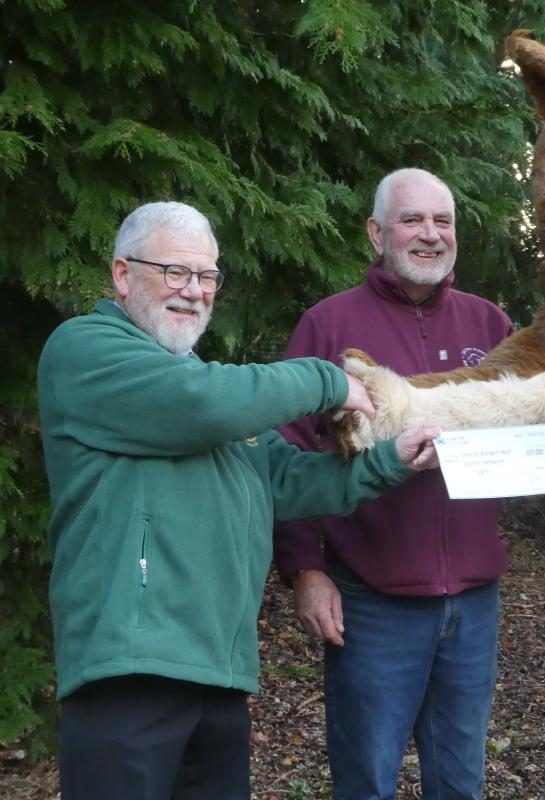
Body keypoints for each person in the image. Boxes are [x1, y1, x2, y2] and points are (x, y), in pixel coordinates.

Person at [37, 201, 444, 800]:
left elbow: (290, 481)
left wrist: (391, 460)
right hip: (130, 671)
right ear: (123, 275)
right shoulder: (88, 350)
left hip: (219, 673)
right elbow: (204, 403)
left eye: (206, 277)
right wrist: (330, 381)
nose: (194, 292)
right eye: (175, 272)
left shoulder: (206, 386)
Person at [274, 168, 545, 800]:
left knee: (460, 780)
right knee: (366, 779)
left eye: (443, 222)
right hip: (372, 599)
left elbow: (528, 439)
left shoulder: (490, 326)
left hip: (472, 602)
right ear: (376, 233)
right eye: (413, 220)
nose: (430, 235)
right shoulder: (328, 327)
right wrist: (306, 569)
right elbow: (284, 457)